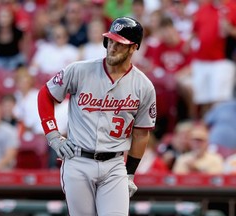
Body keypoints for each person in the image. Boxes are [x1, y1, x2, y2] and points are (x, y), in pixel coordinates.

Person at [38, 17, 156, 215]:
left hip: (114, 164)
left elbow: (141, 133)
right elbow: (45, 95)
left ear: (133, 48)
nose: (112, 47)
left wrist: (130, 173)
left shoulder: (143, 85)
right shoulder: (79, 70)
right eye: (110, 41)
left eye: (120, 44)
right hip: (78, 160)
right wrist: (53, 136)